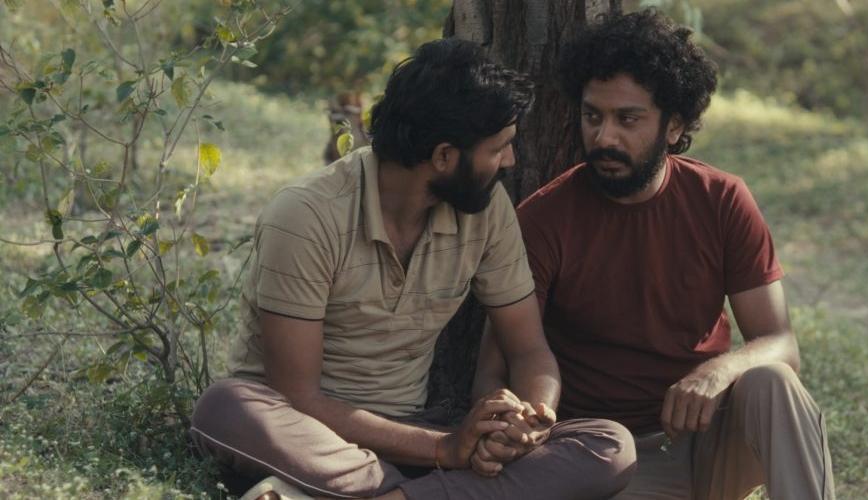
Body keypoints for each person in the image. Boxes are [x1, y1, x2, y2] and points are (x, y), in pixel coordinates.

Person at [190, 38, 636, 500]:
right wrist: (446, 449)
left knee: (608, 447)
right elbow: (299, 398)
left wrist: (531, 420)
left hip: (414, 435)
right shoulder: (306, 216)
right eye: (499, 148)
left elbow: (528, 351)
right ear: (443, 157)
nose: (511, 161)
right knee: (224, 407)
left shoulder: (486, 210)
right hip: (311, 438)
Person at [474, 10, 834, 500]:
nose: (604, 137)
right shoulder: (543, 219)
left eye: (628, 119)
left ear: (674, 125)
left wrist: (718, 371)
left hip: (708, 438)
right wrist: (513, 423)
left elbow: (781, 342)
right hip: (609, 454)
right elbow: (498, 363)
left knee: (774, 383)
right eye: (592, 116)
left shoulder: (722, 199)